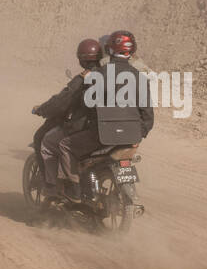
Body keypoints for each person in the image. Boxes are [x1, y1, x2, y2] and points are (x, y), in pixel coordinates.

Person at [56, 33, 154, 202]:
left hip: (102, 136)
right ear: (133, 50)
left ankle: (74, 190)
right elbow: (147, 115)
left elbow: (86, 105)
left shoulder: (99, 74)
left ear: (109, 49)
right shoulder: (140, 78)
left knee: (65, 145)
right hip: (130, 137)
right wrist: (139, 135)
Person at [32, 39, 104, 203]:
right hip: (105, 129)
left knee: (47, 142)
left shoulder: (82, 78)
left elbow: (62, 101)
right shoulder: (110, 74)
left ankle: (52, 186)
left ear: (81, 58)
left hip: (83, 126)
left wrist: (42, 109)